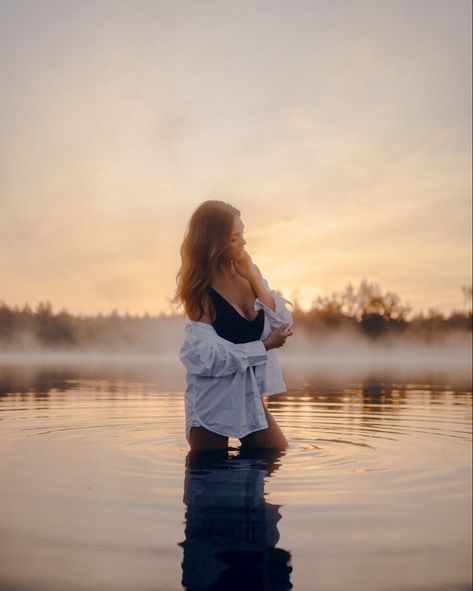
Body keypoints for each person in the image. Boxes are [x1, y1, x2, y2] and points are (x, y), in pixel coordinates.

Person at [172, 200, 294, 451]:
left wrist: (254, 276)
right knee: (209, 476)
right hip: (212, 404)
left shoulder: (248, 276)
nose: (244, 243)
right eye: (234, 238)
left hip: (248, 396)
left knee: (276, 453)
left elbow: (283, 323)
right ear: (214, 243)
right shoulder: (200, 291)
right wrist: (263, 346)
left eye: (243, 234)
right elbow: (201, 357)